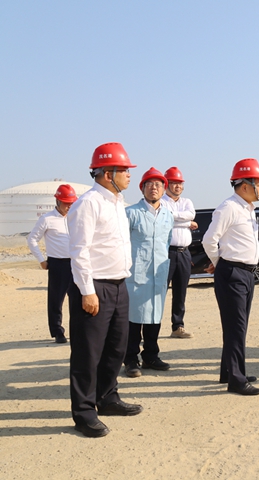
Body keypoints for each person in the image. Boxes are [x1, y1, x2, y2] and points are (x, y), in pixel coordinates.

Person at [67, 142, 143, 438]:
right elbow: (79, 251)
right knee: (88, 353)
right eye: (124, 170)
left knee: (116, 347)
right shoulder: (88, 204)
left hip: (118, 285)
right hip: (94, 286)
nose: (129, 175)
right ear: (107, 173)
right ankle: (84, 413)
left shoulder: (117, 203)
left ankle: (107, 397)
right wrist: (87, 291)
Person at [202, 158, 259, 395]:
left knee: (238, 326)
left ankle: (230, 371)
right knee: (236, 327)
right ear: (245, 186)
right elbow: (209, 240)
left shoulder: (247, 209)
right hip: (232, 273)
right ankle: (236, 380)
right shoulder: (228, 208)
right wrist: (219, 262)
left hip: (247, 274)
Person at [123, 168, 174, 378]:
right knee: (134, 318)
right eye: (149, 184)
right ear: (142, 188)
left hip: (158, 273)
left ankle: (151, 356)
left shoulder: (168, 215)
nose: (154, 188)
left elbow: (167, 242)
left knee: (155, 315)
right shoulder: (131, 213)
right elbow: (122, 243)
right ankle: (130, 359)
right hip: (136, 274)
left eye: (158, 184)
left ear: (164, 189)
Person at [27, 184, 78, 344]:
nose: (69, 206)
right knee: (56, 300)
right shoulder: (47, 219)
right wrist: (41, 260)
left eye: (71, 203)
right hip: (58, 264)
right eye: (66, 203)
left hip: (75, 262)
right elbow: (32, 239)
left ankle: (77, 331)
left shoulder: (75, 217)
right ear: (58, 201)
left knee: (77, 299)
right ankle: (57, 331)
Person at [162, 166, 197, 339]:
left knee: (180, 292)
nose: (178, 186)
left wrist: (177, 218)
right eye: (174, 183)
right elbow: (165, 218)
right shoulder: (161, 202)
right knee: (159, 291)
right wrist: (187, 223)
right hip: (166, 253)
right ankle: (151, 328)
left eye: (180, 183)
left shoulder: (187, 202)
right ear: (166, 184)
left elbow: (190, 214)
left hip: (184, 253)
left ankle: (178, 326)